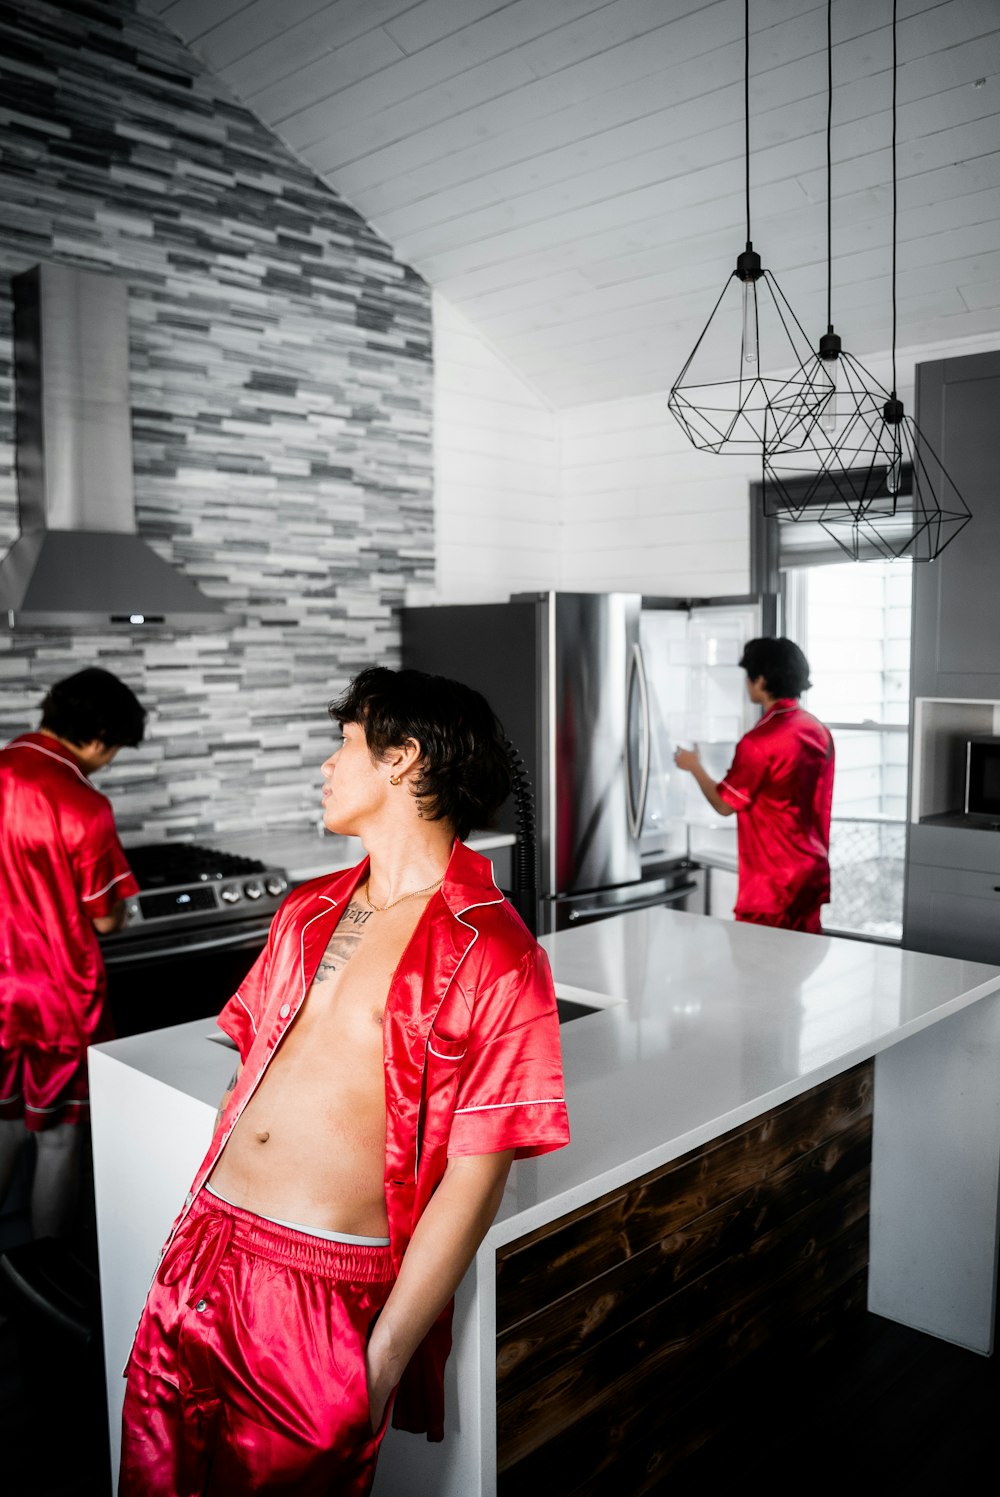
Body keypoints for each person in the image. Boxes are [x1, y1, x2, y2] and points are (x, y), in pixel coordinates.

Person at [119, 666, 570, 1497]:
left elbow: (478, 1172)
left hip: (317, 1296)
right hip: (200, 1252)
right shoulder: (308, 907)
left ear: (402, 758)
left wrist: (384, 1355)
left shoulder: (499, 952)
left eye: (345, 743)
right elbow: (249, 1072)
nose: (327, 764)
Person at [0, 666, 146, 1238]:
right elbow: (107, 917)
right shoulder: (82, 804)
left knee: (7, 1122)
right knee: (58, 1137)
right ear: (97, 740)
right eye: (112, 751)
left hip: (3, 988)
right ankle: (48, 1288)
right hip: (54, 998)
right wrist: (125, 907)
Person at [673, 637, 834, 933]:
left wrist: (693, 766)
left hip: (772, 885)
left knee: (758, 969)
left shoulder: (759, 742)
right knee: (798, 964)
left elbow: (724, 803)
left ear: (760, 680)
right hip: (810, 871)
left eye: (748, 676)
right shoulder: (817, 729)